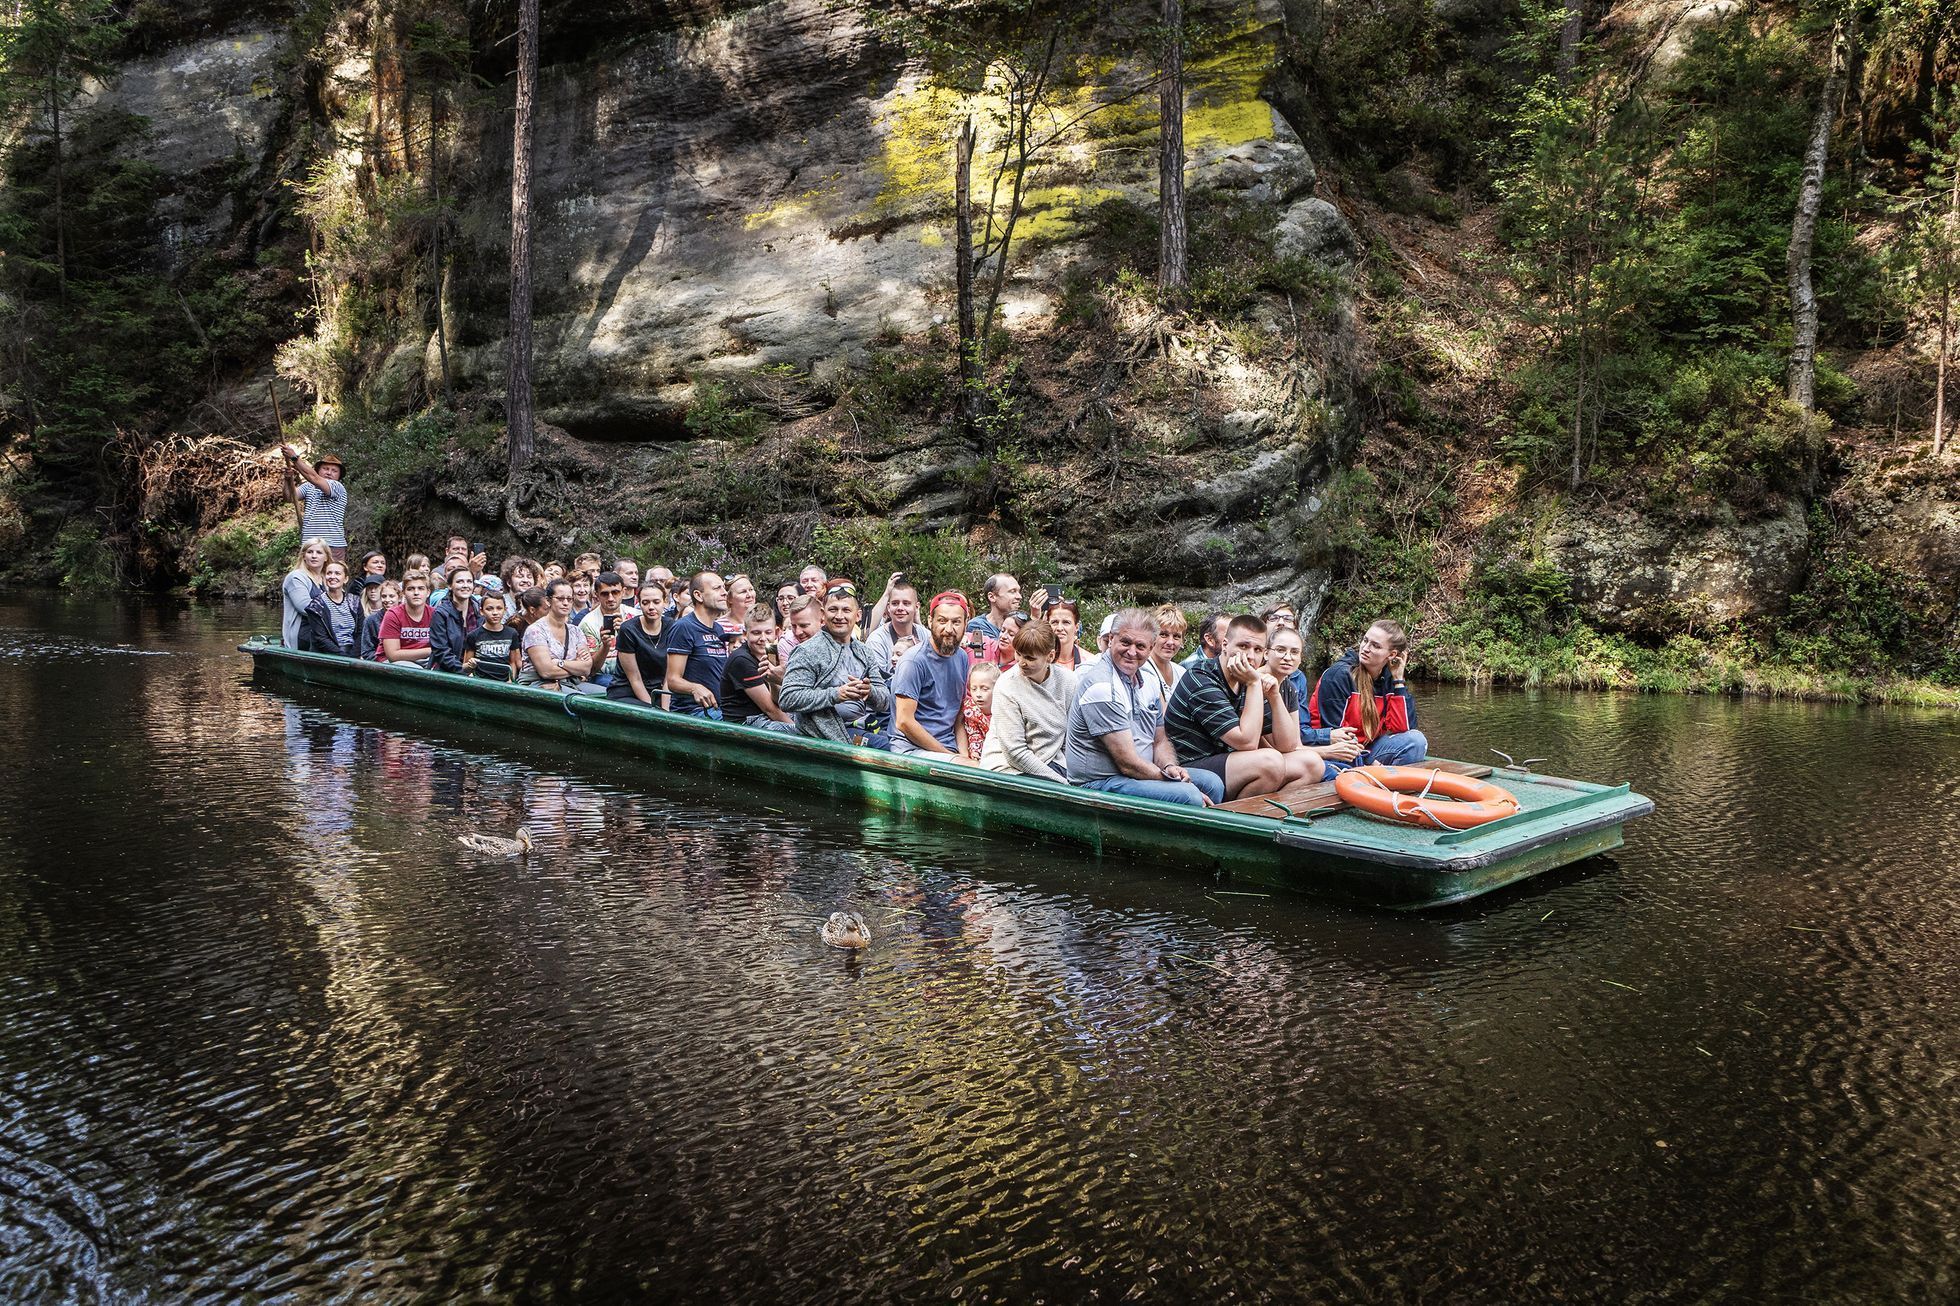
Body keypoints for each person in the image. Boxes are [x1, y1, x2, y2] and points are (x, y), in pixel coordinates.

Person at [1065, 608, 1221, 806]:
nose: (1132, 652)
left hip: (1137, 774)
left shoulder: (1148, 679)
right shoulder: (1101, 686)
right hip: (1099, 782)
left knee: (1212, 783)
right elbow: (1128, 764)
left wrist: (1169, 766)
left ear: (1150, 647)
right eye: (1125, 642)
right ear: (1111, 639)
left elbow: (1160, 740)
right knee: (1189, 796)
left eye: (1140, 646)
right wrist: (1173, 781)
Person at [1164, 614, 1307, 800]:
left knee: (1309, 764)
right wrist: (1254, 684)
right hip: (1188, 766)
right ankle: (1235, 814)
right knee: (1271, 763)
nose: (1250, 656)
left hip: (1227, 761)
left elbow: (1287, 745)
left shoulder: (1247, 678)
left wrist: (1274, 696)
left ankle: (1266, 810)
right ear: (1225, 645)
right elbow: (1247, 743)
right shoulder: (1201, 679)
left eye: (1257, 649)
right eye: (1243, 646)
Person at [778, 583, 893, 745]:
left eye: (846, 610)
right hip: (823, 736)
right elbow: (788, 699)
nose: (839, 616)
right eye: (833, 609)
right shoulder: (807, 651)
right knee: (888, 749)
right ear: (823, 614)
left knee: (900, 744)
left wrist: (869, 691)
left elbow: (885, 702)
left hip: (863, 726)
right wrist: (837, 694)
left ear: (857, 615)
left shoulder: (864, 652)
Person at [1311, 619, 1427, 766]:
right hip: (1331, 752)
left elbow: (1404, 729)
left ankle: (1382, 777)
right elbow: (1334, 734)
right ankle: (1376, 775)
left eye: (1375, 646)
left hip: (1368, 749)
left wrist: (1398, 680)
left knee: (1416, 741)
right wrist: (1368, 766)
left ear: (1392, 655)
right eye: (1365, 641)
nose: (1366, 648)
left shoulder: (1389, 679)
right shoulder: (1338, 675)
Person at [979, 618, 1077, 782]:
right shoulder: (1007, 685)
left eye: (1030, 658)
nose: (1021, 663)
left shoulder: (1068, 681)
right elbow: (1015, 752)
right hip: (1009, 768)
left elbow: (1071, 738)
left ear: (1050, 656)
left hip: (1053, 761)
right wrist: (1061, 783)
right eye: (1018, 654)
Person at [890, 592, 974, 757]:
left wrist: (964, 756)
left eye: (956, 622)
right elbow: (904, 721)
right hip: (912, 749)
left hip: (949, 747)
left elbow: (958, 715)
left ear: (966, 624)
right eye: (942, 621)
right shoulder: (913, 662)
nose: (949, 629)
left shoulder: (962, 657)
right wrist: (951, 757)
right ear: (930, 621)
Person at [1268, 627, 1363, 770]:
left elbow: (1295, 742)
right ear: (1266, 653)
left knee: (1352, 759)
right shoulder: (1257, 683)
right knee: (1323, 768)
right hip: (1268, 759)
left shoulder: (1291, 686)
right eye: (1280, 650)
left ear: (1301, 658)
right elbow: (1275, 747)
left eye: (1294, 652)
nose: (1287, 657)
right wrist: (1328, 747)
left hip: (1294, 752)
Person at [662, 570, 732, 716]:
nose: (724, 592)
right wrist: (694, 688)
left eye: (724, 588)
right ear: (698, 595)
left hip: (720, 708)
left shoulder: (718, 629)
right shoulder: (684, 627)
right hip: (694, 711)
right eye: (717, 588)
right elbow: (673, 680)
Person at [716, 608, 796, 731]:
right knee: (800, 730)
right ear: (745, 634)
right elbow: (770, 710)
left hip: (766, 716)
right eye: (756, 633)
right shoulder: (741, 660)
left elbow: (778, 700)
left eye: (768, 632)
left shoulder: (771, 652)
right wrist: (799, 732)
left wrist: (774, 680)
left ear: (776, 632)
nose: (763, 638)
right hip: (746, 722)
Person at [519, 578, 599, 690]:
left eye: (569, 599)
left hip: (570, 683)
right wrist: (575, 667)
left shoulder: (576, 631)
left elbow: (586, 668)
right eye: (560, 599)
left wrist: (559, 663)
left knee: (607, 694)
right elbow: (546, 671)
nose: (565, 603)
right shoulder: (535, 630)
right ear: (548, 601)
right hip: (539, 685)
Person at [280, 446, 348, 562]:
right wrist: (287, 480)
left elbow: (314, 478)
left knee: (332, 573)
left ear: (339, 475)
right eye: (325, 469)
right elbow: (289, 498)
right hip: (309, 544)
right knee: (308, 574)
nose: (329, 473)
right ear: (318, 470)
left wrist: (294, 458)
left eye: (334, 471)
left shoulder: (337, 487)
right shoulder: (308, 487)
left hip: (331, 545)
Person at [610, 579, 670, 708]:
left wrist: (665, 710)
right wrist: (654, 711)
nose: (651, 607)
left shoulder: (672, 627)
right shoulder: (628, 629)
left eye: (656, 602)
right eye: (645, 603)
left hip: (659, 693)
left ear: (664, 602)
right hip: (628, 693)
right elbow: (634, 678)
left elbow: (668, 677)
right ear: (639, 603)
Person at [296, 557, 361, 656]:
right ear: (324, 577)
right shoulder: (316, 606)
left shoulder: (355, 602)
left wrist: (353, 655)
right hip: (328, 654)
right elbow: (321, 638)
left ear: (345, 579)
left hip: (352, 651)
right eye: (329, 573)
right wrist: (343, 657)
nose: (332, 576)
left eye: (337, 573)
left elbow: (361, 632)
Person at [577, 571, 632, 688]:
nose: (610, 598)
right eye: (605, 594)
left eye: (615, 592)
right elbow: (591, 669)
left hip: (635, 671)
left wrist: (626, 632)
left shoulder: (635, 616)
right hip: (603, 675)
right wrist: (605, 646)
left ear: (623, 592)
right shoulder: (588, 623)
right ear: (597, 595)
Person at [280, 537, 331, 648]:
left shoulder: (328, 578)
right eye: (310, 552)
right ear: (304, 556)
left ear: (326, 557)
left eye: (319, 552)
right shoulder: (296, 577)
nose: (314, 556)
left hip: (324, 631)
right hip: (303, 634)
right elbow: (306, 608)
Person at [429, 568, 482, 672]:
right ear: (450, 586)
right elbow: (440, 650)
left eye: (469, 581)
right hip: (446, 671)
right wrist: (462, 669)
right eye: (460, 581)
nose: (465, 585)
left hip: (476, 670)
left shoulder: (479, 611)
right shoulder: (441, 614)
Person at [378, 572, 437, 666]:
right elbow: (393, 655)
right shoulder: (393, 615)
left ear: (428, 592)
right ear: (403, 593)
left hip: (427, 659)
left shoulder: (435, 614)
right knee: (417, 671)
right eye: (410, 589)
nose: (416, 593)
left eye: (421, 588)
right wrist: (431, 650)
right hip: (394, 662)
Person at [864, 579, 921, 671]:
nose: (900, 608)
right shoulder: (876, 641)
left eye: (906, 603)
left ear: (916, 607)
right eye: (895, 603)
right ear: (888, 607)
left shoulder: (926, 636)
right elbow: (876, 678)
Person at [465, 592, 519, 681]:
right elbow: (466, 666)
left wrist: (511, 680)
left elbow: (513, 662)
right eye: (489, 609)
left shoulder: (512, 633)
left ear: (505, 610)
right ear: (481, 611)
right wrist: (470, 664)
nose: (495, 613)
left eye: (499, 608)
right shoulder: (473, 635)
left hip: (504, 682)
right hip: (480, 681)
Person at [1146, 603, 1188, 706]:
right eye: (1163, 634)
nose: (1170, 642)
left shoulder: (1181, 673)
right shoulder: (1142, 670)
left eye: (1176, 636)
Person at [961, 662, 999, 761]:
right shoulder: (970, 710)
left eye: (984, 689)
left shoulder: (1005, 708)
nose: (978, 694)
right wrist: (975, 751)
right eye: (974, 689)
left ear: (997, 688)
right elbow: (974, 733)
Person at [968, 573, 1022, 640]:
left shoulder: (1020, 624)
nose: (1019, 597)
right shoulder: (977, 626)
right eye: (1012, 591)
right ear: (992, 597)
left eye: (1019, 592)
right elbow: (998, 646)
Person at [359, 580, 402, 661]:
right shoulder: (371, 620)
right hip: (381, 663)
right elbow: (367, 651)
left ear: (399, 597)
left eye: (391, 596)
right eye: (384, 596)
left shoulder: (406, 617)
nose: (387, 600)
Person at [1043, 598, 1088, 670]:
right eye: (1054, 622)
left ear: (1076, 627)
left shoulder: (1088, 662)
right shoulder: (1040, 661)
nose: (1060, 628)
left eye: (1066, 622)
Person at [778, 593, 819, 665]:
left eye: (803, 626)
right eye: (793, 626)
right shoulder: (786, 643)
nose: (797, 632)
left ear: (821, 620)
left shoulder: (834, 638)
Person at [723, 573, 758, 638]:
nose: (749, 595)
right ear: (729, 598)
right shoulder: (719, 627)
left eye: (751, 589)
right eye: (743, 592)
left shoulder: (764, 620)